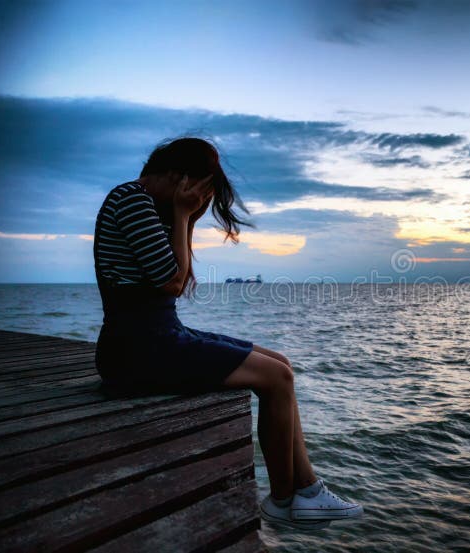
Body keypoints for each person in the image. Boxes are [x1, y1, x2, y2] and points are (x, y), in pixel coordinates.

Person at [92, 137, 363, 530]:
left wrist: (183, 216)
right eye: (197, 191)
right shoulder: (133, 199)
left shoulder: (146, 204)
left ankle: (306, 490)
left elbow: (176, 282)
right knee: (278, 378)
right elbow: (172, 282)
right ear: (176, 176)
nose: (199, 201)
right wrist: (183, 217)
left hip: (153, 338)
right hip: (138, 350)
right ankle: (286, 499)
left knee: (281, 365)